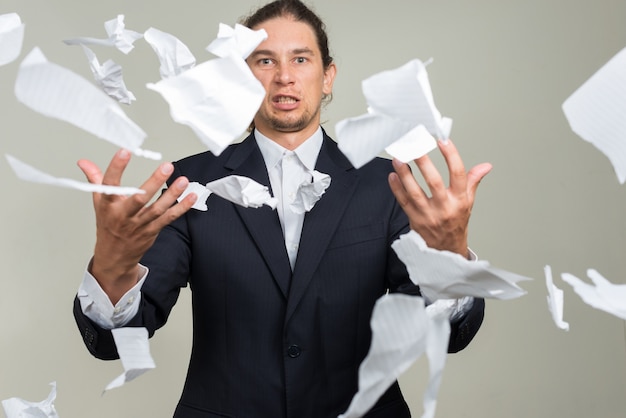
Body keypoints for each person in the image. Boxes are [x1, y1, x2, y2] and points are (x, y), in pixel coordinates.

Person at [73, 1, 493, 417]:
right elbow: (117, 342)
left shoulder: (386, 185)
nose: (285, 77)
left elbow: (444, 334)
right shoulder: (191, 183)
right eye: (264, 61)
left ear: (327, 76)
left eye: (301, 59)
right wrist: (111, 270)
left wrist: (451, 262)